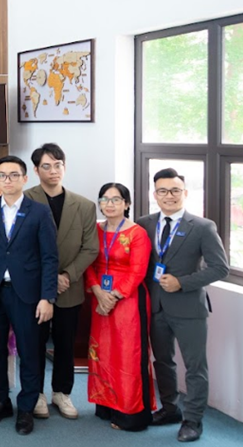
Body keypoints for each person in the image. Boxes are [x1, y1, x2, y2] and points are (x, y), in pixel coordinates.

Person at [137, 168, 229, 442]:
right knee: (163, 361)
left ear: (185, 193)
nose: (170, 195)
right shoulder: (144, 224)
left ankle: (193, 421)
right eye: (163, 191)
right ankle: (170, 409)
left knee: (195, 366)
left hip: (189, 308)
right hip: (156, 307)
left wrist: (182, 282)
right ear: (155, 194)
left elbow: (220, 268)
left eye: (175, 190)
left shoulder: (202, 227)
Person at [0, 156, 59, 435]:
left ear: (25, 178)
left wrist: (47, 297)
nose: (7, 180)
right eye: (2, 175)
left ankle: (26, 408)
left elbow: (50, 257)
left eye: (13, 175)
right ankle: (1, 401)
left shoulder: (39, 212)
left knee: (30, 351)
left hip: (28, 294)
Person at [23, 143, 98, 420]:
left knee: (65, 343)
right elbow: (20, 245)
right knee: (34, 343)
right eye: (46, 166)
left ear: (64, 167)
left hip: (69, 285)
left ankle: (62, 392)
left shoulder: (84, 205)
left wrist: (66, 275)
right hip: (35, 287)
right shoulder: (25, 200)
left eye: (58, 165)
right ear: (36, 170)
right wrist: (48, 278)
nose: (53, 171)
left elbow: (90, 248)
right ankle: (37, 394)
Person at [84, 183, 154, 432]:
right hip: (99, 297)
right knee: (102, 351)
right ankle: (106, 405)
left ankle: (130, 413)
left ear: (126, 203)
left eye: (116, 199)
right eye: (104, 199)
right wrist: (97, 291)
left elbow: (138, 271)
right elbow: (88, 263)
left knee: (127, 355)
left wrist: (112, 297)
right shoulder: (95, 229)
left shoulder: (137, 233)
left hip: (128, 300)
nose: (109, 204)